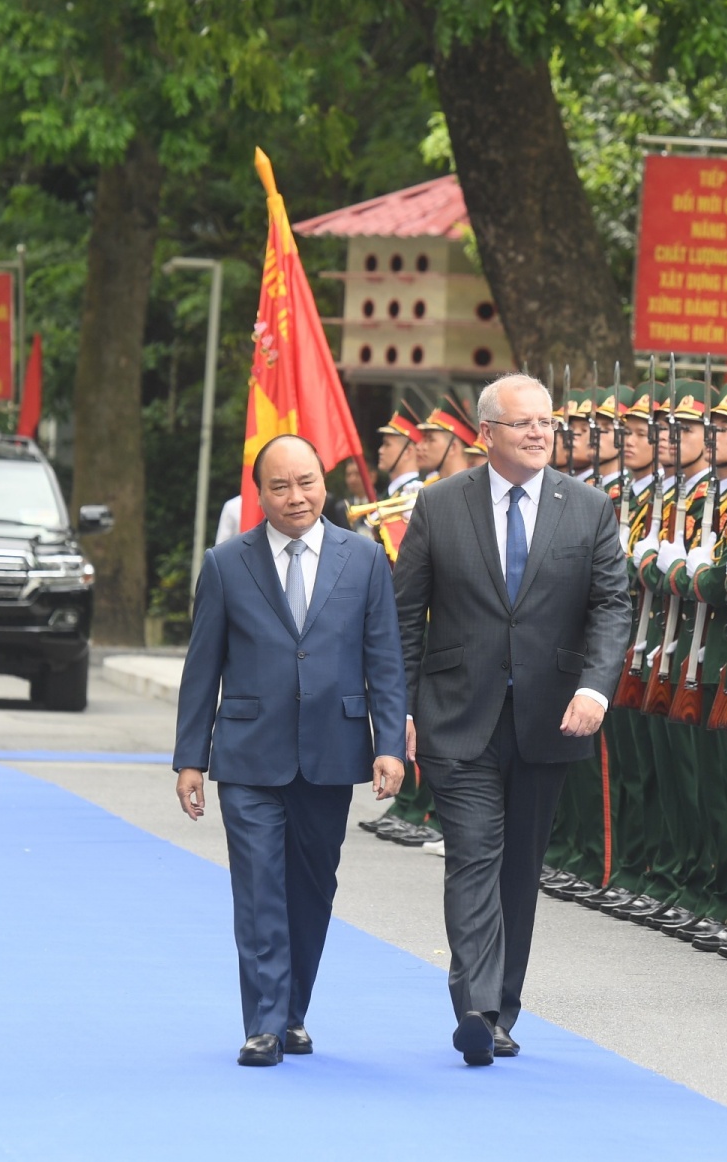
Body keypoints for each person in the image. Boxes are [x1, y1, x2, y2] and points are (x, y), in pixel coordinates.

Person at [391, 372, 630, 1065]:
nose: (537, 434)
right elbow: (406, 617)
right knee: (472, 856)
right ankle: (476, 1006)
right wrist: (398, 710)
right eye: (523, 423)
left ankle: (502, 1005)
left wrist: (596, 688)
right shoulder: (439, 506)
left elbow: (612, 606)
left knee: (519, 869)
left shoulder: (587, 508)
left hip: (549, 716)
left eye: (546, 424)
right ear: (486, 433)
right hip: (457, 715)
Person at [173, 434, 407, 1067]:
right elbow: (202, 668)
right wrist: (189, 758)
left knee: (311, 889)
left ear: (323, 483)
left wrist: (391, 744)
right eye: (280, 486)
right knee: (258, 888)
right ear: (260, 493)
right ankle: (264, 1025)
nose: (295, 497)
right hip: (248, 755)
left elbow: (385, 660)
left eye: (306, 482)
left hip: (333, 751)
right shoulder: (226, 563)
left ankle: (292, 1010)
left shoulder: (364, 559)